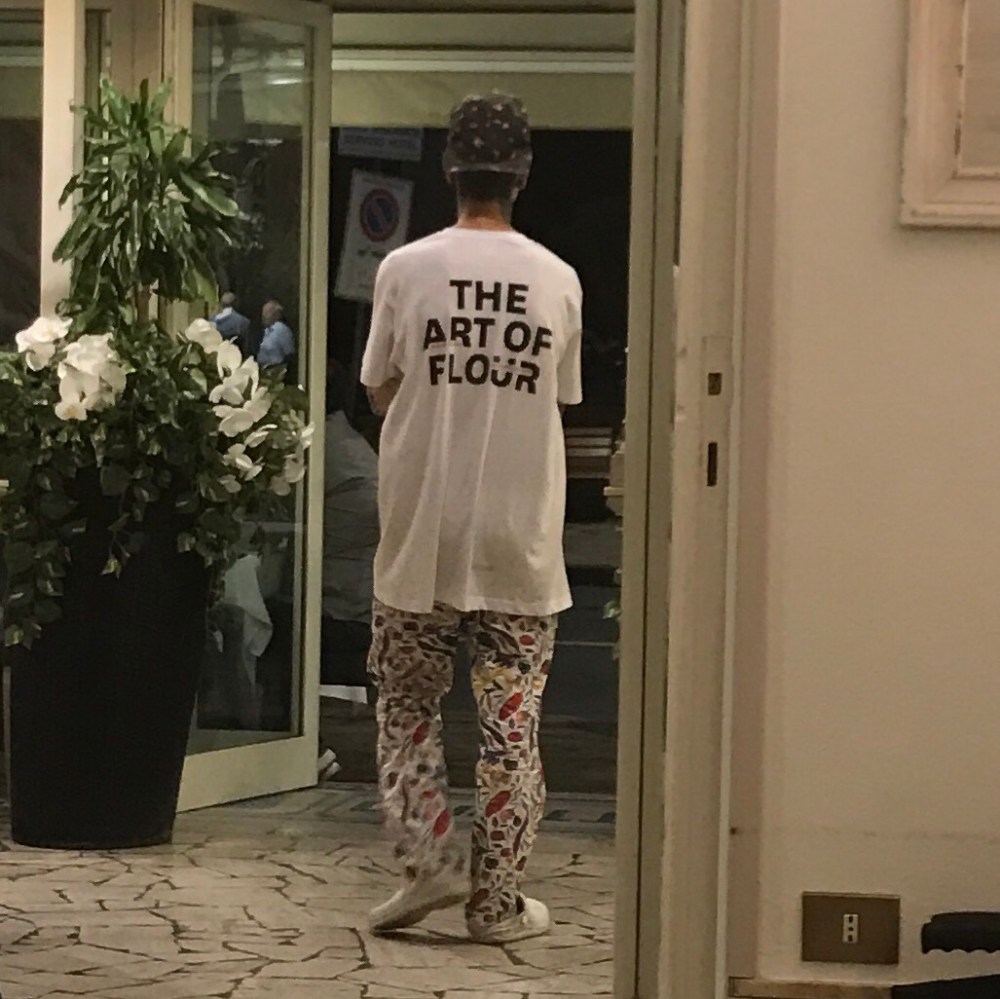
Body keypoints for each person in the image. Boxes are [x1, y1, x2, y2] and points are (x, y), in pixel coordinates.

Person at [361, 93, 583, 945]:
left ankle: (429, 859)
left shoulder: (404, 268)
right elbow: (559, 395)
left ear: (449, 170)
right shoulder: (558, 278)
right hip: (518, 539)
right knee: (510, 725)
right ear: (522, 174)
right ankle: (497, 904)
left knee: (407, 704)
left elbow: (380, 387)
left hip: (422, 529)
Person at [318, 361, 380, 778]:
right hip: (359, 603)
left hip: (339, 609)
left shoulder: (324, 450)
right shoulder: (348, 443)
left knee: (239, 624)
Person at [257, 300, 295, 368]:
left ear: (276, 314)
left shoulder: (281, 329)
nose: (263, 316)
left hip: (275, 369)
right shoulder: (268, 330)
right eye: (263, 313)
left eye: (267, 312)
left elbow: (290, 354)